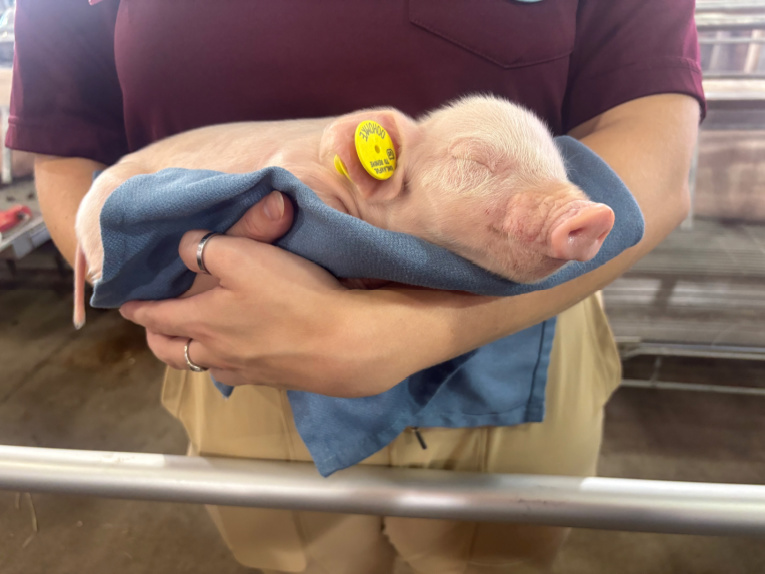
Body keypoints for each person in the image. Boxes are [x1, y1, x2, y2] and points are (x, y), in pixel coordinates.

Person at [8, 1, 705, 572]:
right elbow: (72, 158)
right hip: (238, 352)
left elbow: (654, 146)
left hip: (523, 326)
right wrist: (160, 294)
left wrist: (419, 326)